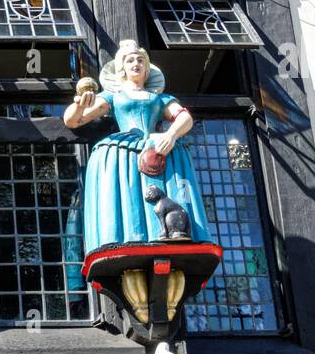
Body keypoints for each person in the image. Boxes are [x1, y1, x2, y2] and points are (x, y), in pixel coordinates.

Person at [64, 40, 210, 250]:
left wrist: (171, 134)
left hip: (157, 147)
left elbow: (184, 118)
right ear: (121, 68)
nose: (136, 63)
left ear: (147, 68)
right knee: (127, 189)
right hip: (125, 152)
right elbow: (72, 120)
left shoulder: (160, 98)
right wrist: (79, 105)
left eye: (140, 60)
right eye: (130, 60)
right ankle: (128, 234)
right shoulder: (114, 97)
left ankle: (175, 233)